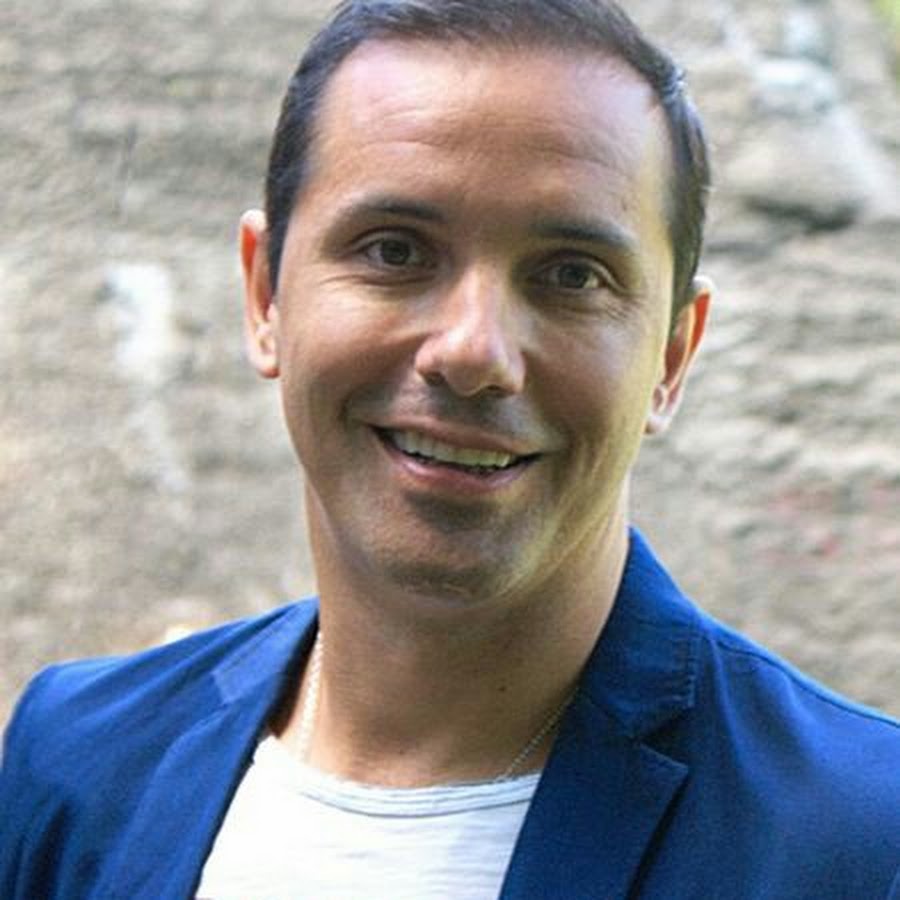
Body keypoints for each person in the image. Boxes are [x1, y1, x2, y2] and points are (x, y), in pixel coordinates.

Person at [2, 0, 898, 897]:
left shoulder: (859, 840)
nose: (473, 352)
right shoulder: (76, 762)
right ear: (264, 294)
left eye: (572, 275)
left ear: (671, 356)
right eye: (395, 252)